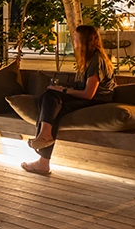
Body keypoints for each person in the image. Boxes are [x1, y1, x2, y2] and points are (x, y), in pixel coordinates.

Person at [21, 25, 116, 175]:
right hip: (89, 97)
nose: (74, 41)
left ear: (85, 41)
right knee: (48, 97)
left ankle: (43, 153)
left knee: (54, 107)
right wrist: (61, 88)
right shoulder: (87, 60)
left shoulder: (96, 61)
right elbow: (79, 88)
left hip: (98, 100)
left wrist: (63, 90)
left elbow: (89, 94)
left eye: (76, 38)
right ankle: (44, 148)